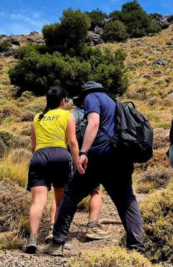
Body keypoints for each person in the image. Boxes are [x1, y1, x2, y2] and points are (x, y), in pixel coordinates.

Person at [42, 81, 144, 255]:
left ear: (83, 96)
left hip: (99, 155)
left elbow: (94, 124)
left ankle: (57, 243)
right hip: (120, 157)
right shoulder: (114, 102)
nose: (82, 105)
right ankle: (137, 247)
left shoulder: (92, 97)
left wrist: (83, 152)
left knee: (71, 194)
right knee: (126, 200)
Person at [26, 86, 76, 253]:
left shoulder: (37, 117)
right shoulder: (68, 115)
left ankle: (32, 238)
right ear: (63, 101)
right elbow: (73, 141)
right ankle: (57, 236)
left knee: (38, 201)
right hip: (60, 155)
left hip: (39, 157)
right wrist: (77, 161)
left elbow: (33, 146)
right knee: (60, 199)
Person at [70, 104, 109, 240]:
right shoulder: (96, 116)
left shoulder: (72, 116)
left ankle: (58, 228)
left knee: (66, 192)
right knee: (96, 191)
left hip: (73, 158)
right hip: (91, 157)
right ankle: (92, 227)